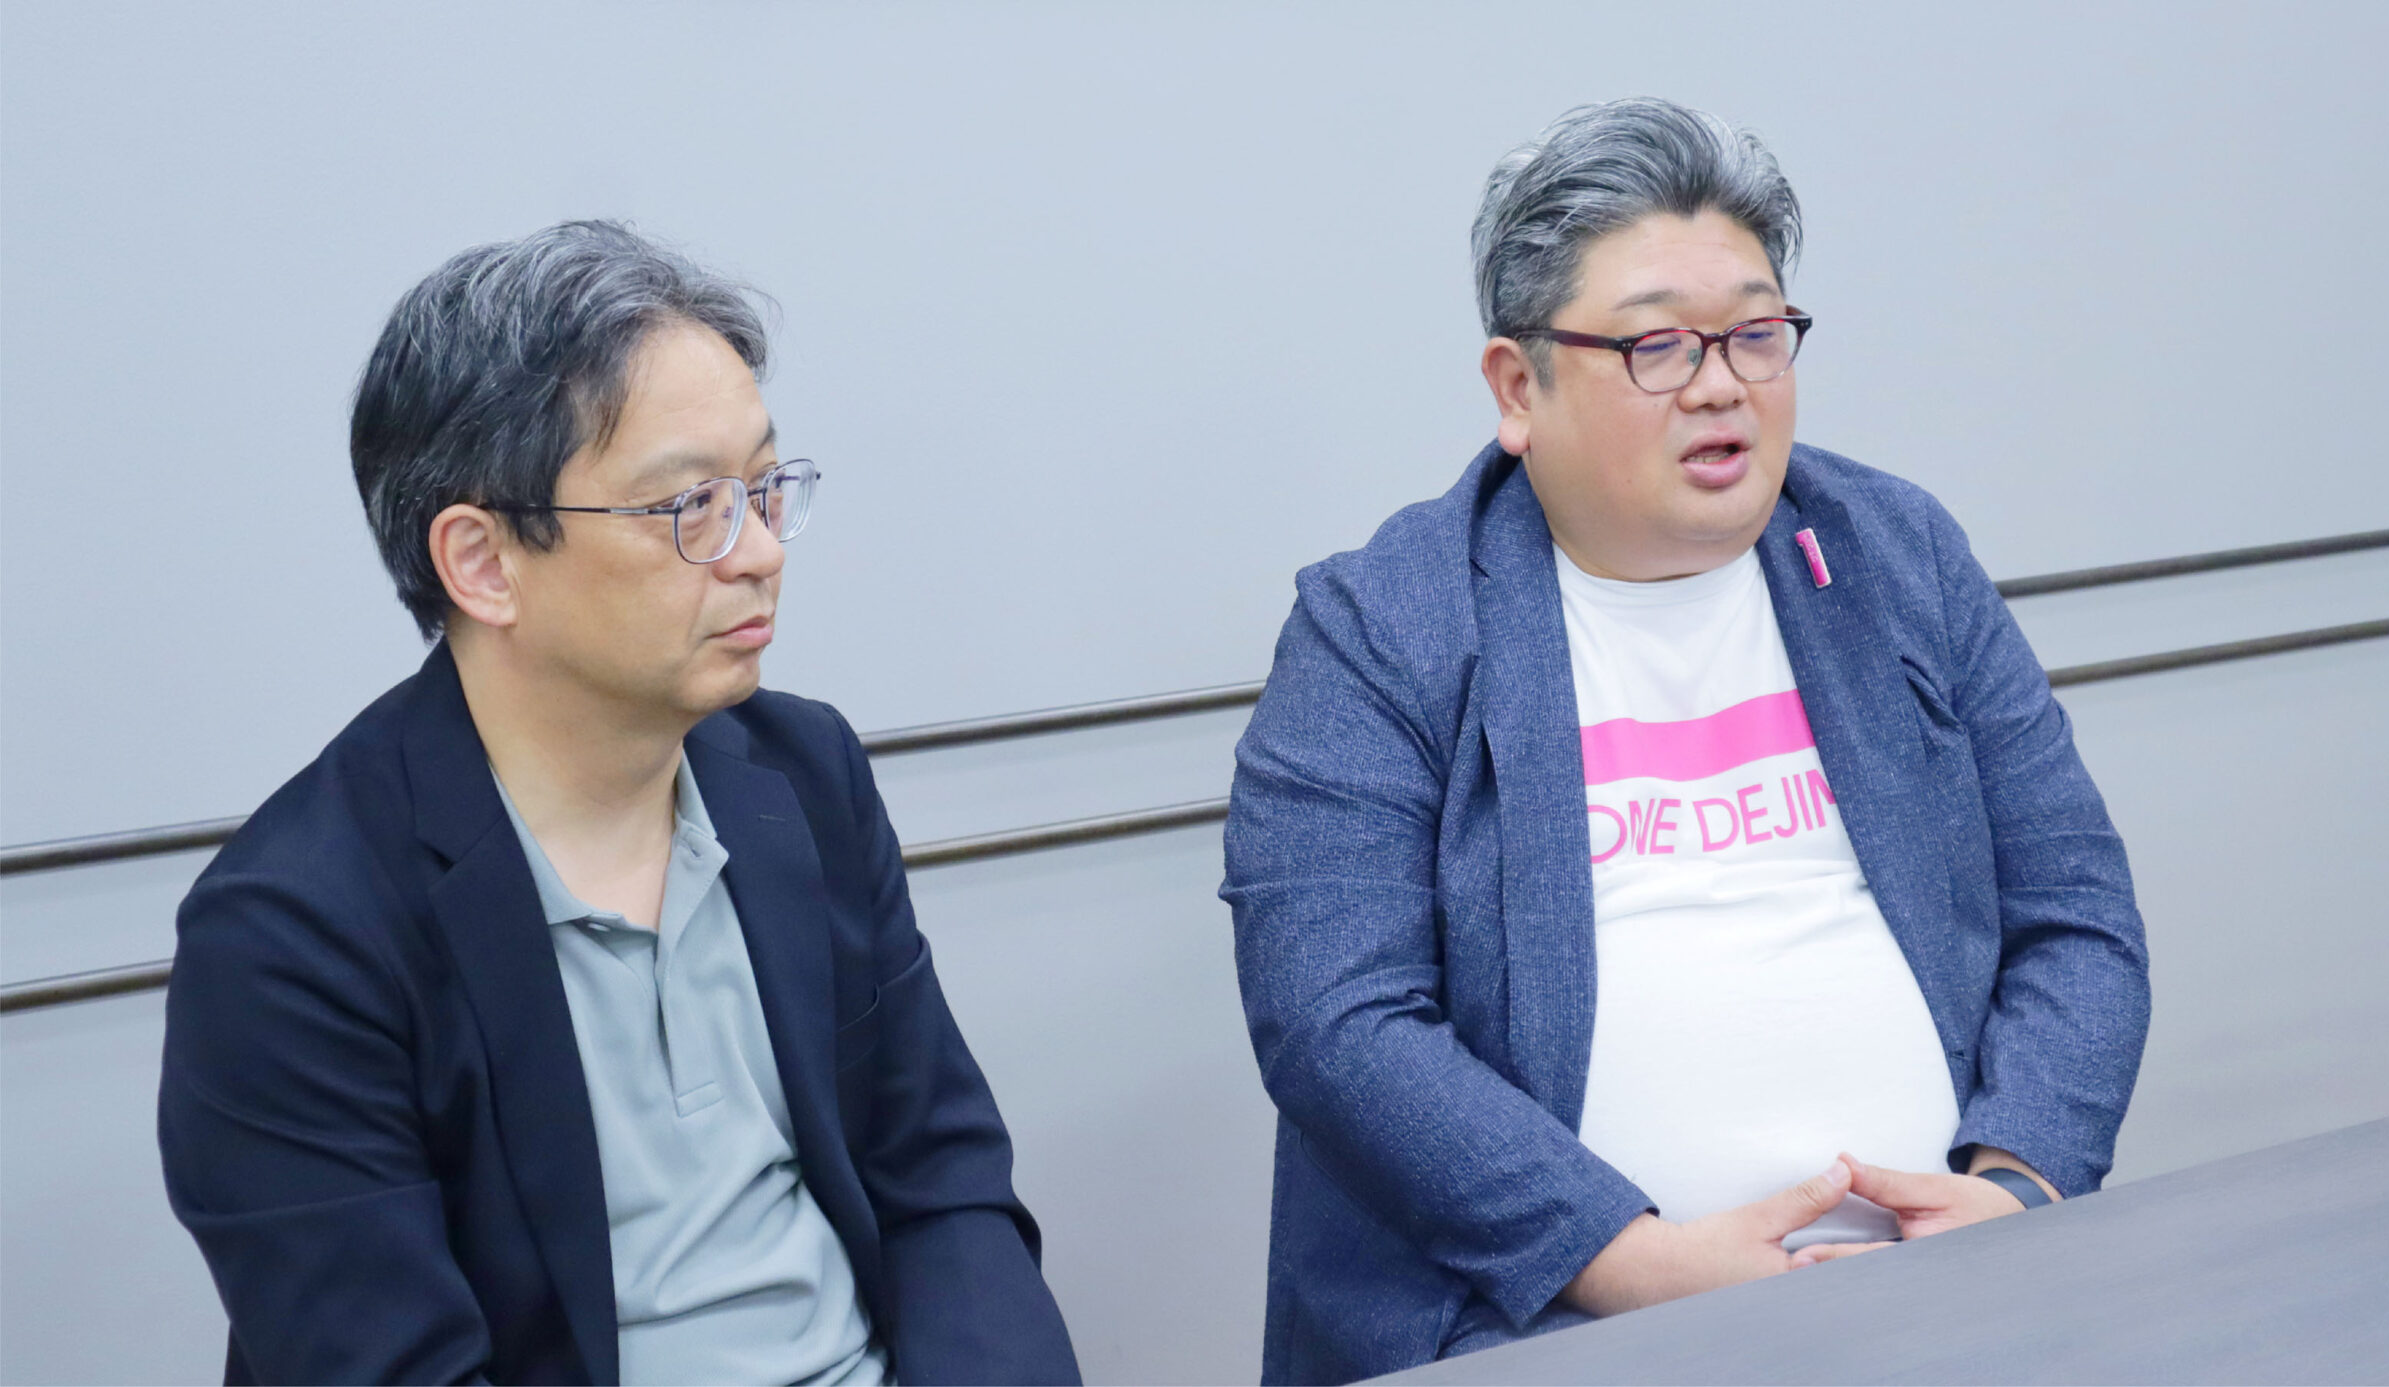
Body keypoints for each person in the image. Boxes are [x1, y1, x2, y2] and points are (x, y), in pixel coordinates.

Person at [1222, 98, 2151, 1384]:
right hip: (1549, 1320)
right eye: (1656, 344)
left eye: (1755, 334)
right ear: (1518, 388)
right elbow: (1337, 1022)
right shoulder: (1381, 625)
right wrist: (1627, 1260)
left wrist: (2016, 1186)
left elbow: (2075, 910)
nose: (1721, 383)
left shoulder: (1896, 554)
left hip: (1945, 1296)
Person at [158, 221, 1080, 1386]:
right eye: (691, 506)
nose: (759, 551)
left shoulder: (804, 773)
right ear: (482, 562)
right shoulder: (291, 937)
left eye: (763, 488)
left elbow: (942, 1184)